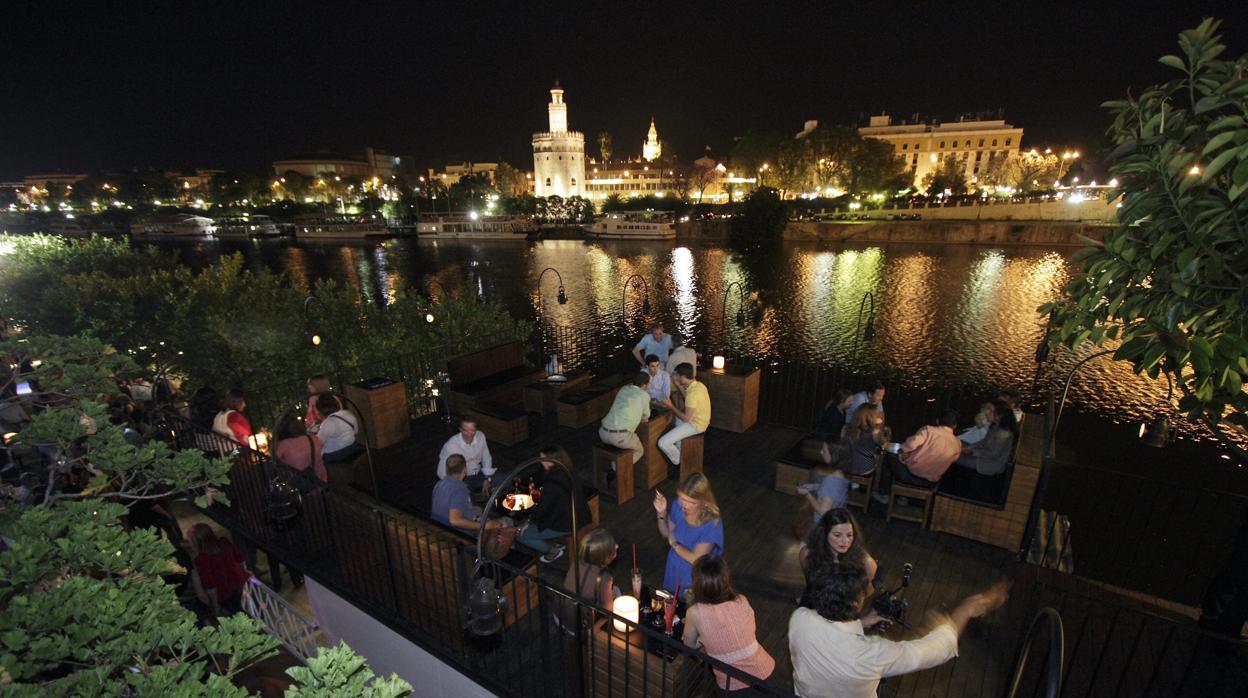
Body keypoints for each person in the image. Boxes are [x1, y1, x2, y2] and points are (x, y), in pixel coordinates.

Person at [789, 559, 1008, 698]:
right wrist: (965, 610)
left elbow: (830, 635)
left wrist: (863, 623)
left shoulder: (799, 619)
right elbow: (932, 650)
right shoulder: (870, 655)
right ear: (856, 603)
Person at [682, 555, 775, 691]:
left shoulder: (695, 612)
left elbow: (688, 645)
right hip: (766, 672)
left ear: (696, 583)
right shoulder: (741, 600)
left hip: (734, 685)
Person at [519, 445, 591, 563]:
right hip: (581, 515)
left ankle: (552, 551)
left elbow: (541, 509)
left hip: (567, 523)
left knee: (521, 535)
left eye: (542, 459)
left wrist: (528, 521)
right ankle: (554, 543)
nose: (540, 461)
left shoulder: (553, 482)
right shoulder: (568, 470)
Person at [654, 472, 724, 591]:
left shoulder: (712, 524)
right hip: (674, 569)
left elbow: (696, 559)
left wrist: (675, 545)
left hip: (695, 576)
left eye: (691, 502)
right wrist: (661, 513)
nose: (683, 504)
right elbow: (667, 534)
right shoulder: (678, 505)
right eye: (682, 498)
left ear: (703, 501)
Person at [876, 410, 962, 499]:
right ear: (955, 426)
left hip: (909, 476)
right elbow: (953, 459)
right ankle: (904, 497)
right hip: (930, 483)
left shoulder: (929, 430)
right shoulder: (957, 443)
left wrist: (901, 452)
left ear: (937, 421)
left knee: (889, 457)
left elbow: (911, 445)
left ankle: (884, 494)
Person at [799, 508, 878, 600]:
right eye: (837, 535)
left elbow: (867, 592)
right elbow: (809, 583)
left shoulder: (866, 562)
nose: (845, 541)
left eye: (849, 535)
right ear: (824, 533)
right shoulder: (807, 554)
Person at [558, 528, 621, 632]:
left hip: (560, 612)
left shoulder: (576, 563)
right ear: (604, 556)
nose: (617, 546)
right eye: (613, 547)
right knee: (618, 593)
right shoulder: (605, 577)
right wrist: (613, 597)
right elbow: (607, 609)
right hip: (578, 623)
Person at [187, 523, 251, 617]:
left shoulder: (201, 560)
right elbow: (240, 559)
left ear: (196, 542)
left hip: (226, 594)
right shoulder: (224, 542)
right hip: (242, 584)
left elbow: (211, 586)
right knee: (249, 612)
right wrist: (245, 572)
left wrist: (215, 606)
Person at [432, 454, 505, 532]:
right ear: (465, 470)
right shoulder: (460, 489)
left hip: (439, 527)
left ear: (447, 470)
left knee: (478, 510)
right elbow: (455, 521)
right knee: (505, 523)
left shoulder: (439, 484)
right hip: (457, 534)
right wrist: (485, 526)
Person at [658, 363, 710, 467]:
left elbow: (687, 418)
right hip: (701, 419)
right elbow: (689, 399)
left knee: (662, 443)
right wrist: (678, 385)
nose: (675, 377)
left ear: (682, 376)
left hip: (697, 425)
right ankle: (681, 448)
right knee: (677, 419)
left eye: (677, 375)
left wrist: (671, 406)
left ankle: (679, 460)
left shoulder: (693, 394)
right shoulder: (699, 385)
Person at [598, 372, 651, 466]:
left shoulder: (624, 389)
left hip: (603, 433)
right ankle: (616, 469)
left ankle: (613, 465)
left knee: (625, 442)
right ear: (645, 385)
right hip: (619, 438)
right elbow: (646, 416)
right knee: (639, 451)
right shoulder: (643, 395)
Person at [954, 399, 1018, 476]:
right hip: (984, 454)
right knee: (955, 443)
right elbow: (984, 441)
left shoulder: (1003, 433)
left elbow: (993, 454)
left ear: (999, 415)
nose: (986, 412)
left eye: (990, 410)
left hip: (989, 464)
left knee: (952, 455)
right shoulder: (996, 425)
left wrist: (972, 451)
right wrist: (970, 447)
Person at [437, 418, 499, 493]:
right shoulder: (451, 445)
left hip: (480, 473)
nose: (469, 434)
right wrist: (457, 485)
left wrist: (487, 478)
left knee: (505, 480)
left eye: (472, 430)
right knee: (466, 498)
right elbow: (441, 472)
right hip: (463, 478)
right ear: (460, 429)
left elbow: (486, 457)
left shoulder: (480, 436)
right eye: (466, 430)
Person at [840, 404, 885, 476]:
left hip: (845, 467)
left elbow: (842, 445)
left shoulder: (845, 428)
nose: (878, 416)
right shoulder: (874, 432)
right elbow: (877, 448)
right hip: (864, 470)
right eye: (876, 414)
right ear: (870, 417)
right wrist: (878, 427)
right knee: (881, 463)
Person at [315, 393, 360, 464]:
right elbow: (355, 432)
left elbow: (318, 443)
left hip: (336, 454)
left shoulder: (328, 423)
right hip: (352, 446)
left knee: (314, 457)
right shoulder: (348, 414)